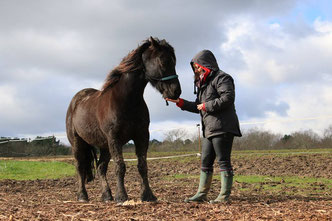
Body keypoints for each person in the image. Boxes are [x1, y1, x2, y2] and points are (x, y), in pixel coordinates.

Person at [166, 50, 242, 203]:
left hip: (223, 127)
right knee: (205, 161)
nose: (196, 70)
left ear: (206, 65)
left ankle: (223, 197)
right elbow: (198, 106)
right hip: (209, 129)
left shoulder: (223, 78)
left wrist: (207, 106)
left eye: (197, 66)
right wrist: (180, 102)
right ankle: (201, 194)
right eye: (194, 67)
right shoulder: (203, 84)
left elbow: (228, 98)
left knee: (223, 161)